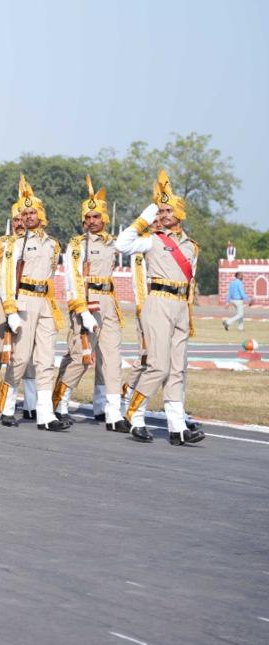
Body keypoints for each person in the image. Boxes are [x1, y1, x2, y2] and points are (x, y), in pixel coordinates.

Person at [116, 170, 205, 445]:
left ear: (180, 213)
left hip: (181, 306)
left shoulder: (191, 247)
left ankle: (177, 428)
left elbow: (190, 282)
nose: (164, 215)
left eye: (168, 210)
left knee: (178, 368)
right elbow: (122, 244)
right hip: (158, 302)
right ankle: (135, 416)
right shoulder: (153, 239)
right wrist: (146, 216)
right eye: (161, 211)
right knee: (158, 366)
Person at [55, 177, 128, 431]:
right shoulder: (77, 244)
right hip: (88, 301)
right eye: (87, 217)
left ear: (104, 218)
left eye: (96, 216)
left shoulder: (112, 242)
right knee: (81, 356)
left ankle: (111, 411)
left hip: (109, 301)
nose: (91, 221)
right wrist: (81, 308)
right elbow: (72, 278)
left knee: (112, 358)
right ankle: (60, 403)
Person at [0, 176, 70, 431]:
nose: (28, 217)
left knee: (46, 360)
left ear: (41, 214)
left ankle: (45, 415)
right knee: (20, 358)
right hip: (25, 301)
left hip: (46, 302)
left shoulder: (53, 244)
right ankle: (6, 406)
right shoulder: (16, 244)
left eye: (32, 212)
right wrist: (11, 309)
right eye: (24, 214)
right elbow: (7, 276)